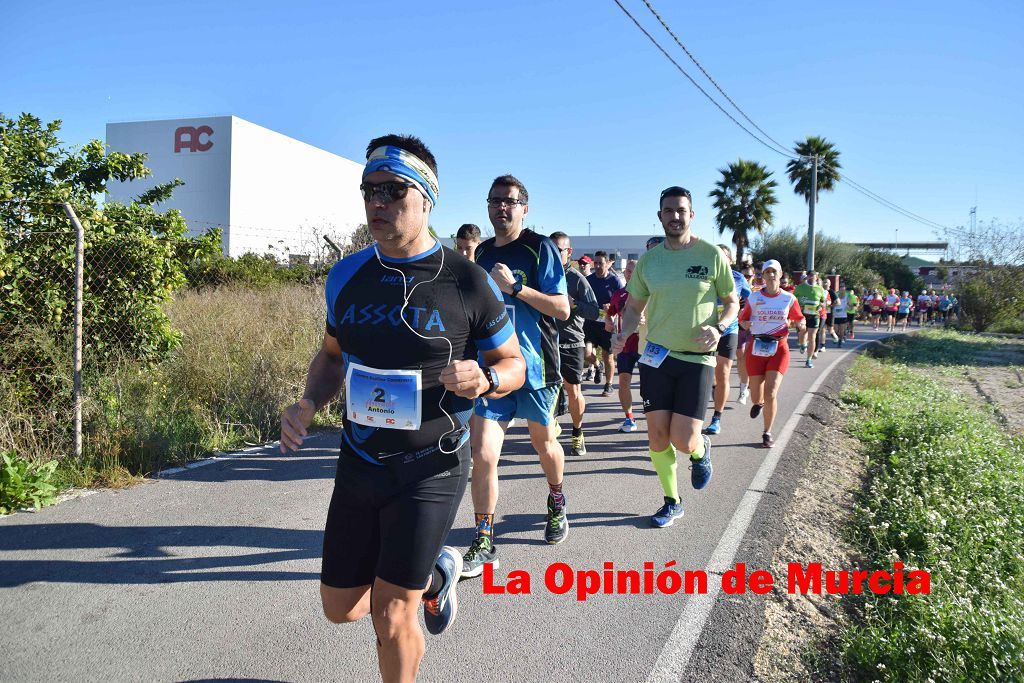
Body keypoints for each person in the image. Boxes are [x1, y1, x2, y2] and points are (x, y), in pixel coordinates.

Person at [279, 134, 526, 682]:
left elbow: (515, 365)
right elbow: (330, 355)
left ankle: (417, 594)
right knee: (340, 608)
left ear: (426, 199)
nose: (377, 202)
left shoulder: (467, 281)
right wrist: (308, 401)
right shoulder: (346, 276)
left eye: (393, 190)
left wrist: (484, 378)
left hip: (431, 466)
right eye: (369, 190)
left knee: (393, 615)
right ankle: (438, 574)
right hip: (361, 462)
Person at [463, 174, 571, 577]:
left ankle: (556, 499)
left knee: (545, 446)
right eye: (494, 201)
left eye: (509, 201)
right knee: (484, 454)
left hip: (536, 368)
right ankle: (484, 536)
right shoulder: (483, 252)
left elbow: (562, 309)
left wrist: (517, 287)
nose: (501, 208)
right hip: (494, 371)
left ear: (525, 207)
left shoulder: (540, 247)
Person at [611, 186, 738, 528]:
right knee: (656, 436)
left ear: (691, 214)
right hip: (656, 357)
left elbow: (732, 301)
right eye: (669, 210)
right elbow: (635, 304)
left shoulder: (711, 255)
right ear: (660, 216)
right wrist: (623, 332)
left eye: (681, 210)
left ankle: (700, 451)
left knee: (683, 439)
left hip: (697, 358)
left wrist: (721, 327)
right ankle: (672, 501)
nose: (675, 216)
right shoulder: (650, 262)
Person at [738, 259, 806, 448]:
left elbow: (799, 317)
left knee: (771, 392)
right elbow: (742, 319)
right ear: (763, 275)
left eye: (774, 271)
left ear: (780, 274)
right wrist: (744, 324)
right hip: (757, 346)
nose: (771, 275)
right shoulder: (753, 298)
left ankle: (767, 432)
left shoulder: (788, 298)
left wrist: (801, 324)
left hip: (779, 348)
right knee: (756, 395)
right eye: (767, 271)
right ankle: (757, 403)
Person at [549, 231, 601, 456]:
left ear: (568, 253)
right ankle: (551, 426)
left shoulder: (577, 279)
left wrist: (575, 304)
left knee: (573, 391)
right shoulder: (543, 275)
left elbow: (594, 312)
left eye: (557, 250)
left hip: (571, 343)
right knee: (545, 391)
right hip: (547, 343)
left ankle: (578, 432)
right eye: (548, 250)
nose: (552, 254)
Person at [703, 245, 751, 436]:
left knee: (723, 372)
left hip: (729, 330)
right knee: (708, 372)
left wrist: (746, 317)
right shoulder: (705, 275)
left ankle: (716, 418)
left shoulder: (738, 278)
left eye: (724, 257)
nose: (719, 260)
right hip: (706, 330)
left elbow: (750, 300)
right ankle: (714, 388)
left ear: (729, 261)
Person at [606, 259, 641, 432]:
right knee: (624, 381)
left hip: (645, 345)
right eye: (627, 271)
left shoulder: (649, 293)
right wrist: (608, 322)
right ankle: (629, 418)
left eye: (633, 271)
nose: (630, 274)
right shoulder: (618, 294)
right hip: (625, 346)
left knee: (650, 385)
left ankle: (656, 415)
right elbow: (609, 313)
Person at [585, 250, 625, 396]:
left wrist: (613, 307)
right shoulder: (588, 280)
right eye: (595, 263)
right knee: (586, 352)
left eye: (600, 263)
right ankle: (597, 365)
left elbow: (623, 300)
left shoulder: (614, 281)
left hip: (608, 324)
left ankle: (608, 385)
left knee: (608, 356)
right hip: (590, 323)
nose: (597, 266)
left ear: (607, 264)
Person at [794, 271, 826, 368]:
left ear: (817, 277)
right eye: (810, 275)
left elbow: (823, 302)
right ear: (807, 277)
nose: (812, 277)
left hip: (815, 315)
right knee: (802, 332)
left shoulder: (820, 289)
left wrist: (820, 307)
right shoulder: (800, 287)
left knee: (812, 337)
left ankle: (809, 360)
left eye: (814, 276)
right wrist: (799, 307)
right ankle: (803, 344)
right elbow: (793, 300)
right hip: (802, 315)